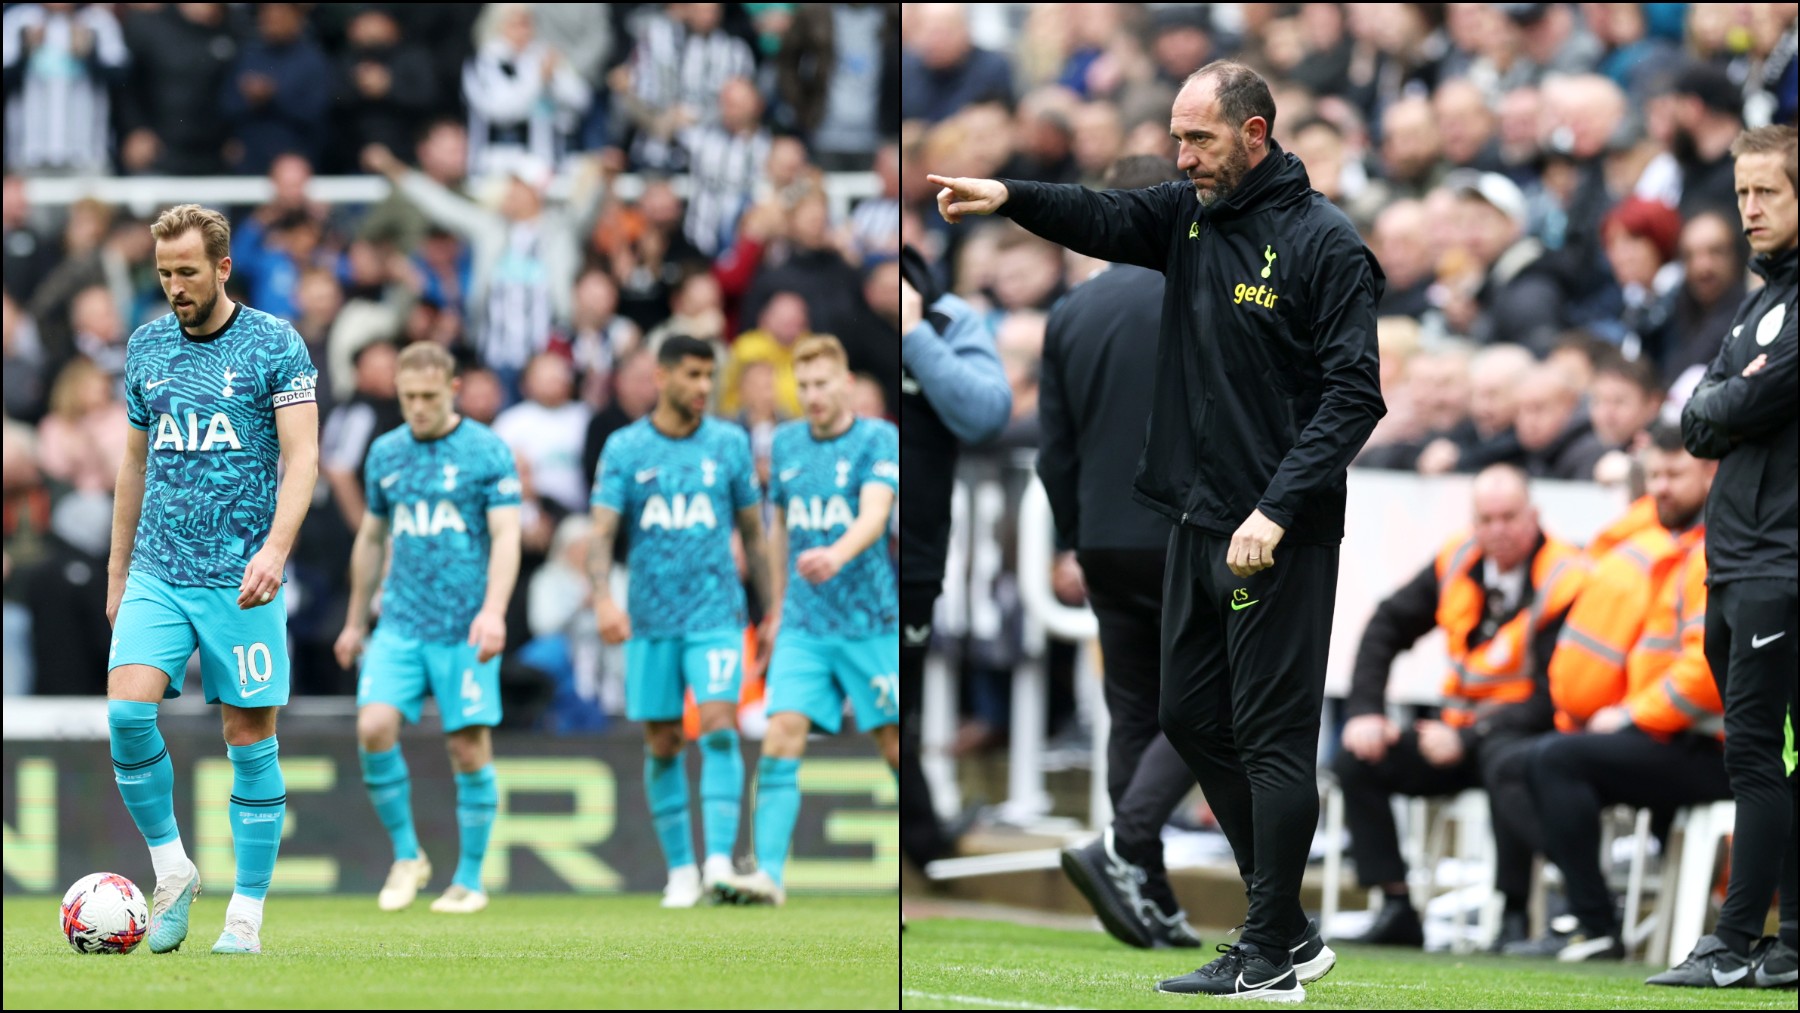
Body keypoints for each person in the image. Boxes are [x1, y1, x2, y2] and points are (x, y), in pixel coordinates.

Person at [929, 61, 1385, 1000]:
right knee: (1184, 715)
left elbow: (1356, 398)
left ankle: (1267, 950)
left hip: (1277, 531)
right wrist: (1009, 194)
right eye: (1176, 139)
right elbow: (1096, 214)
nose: (1182, 158)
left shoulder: (1325, 243)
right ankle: (1287, 928)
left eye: (1200, 140)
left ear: (1255, 134)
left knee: (1272, 735)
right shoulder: (1185, 217)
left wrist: (1277, 506)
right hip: (1193, 518)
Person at [105, 204, 320, 955]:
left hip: (241, 577)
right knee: (127, 716)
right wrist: (117, 568)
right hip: (159, 568)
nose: (174, 287)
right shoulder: (145, 347)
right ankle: (172, 869)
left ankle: (245, 915)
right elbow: (133, 464)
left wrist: (275, 550)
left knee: (247, 736)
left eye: (187, 271)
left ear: (223, 267)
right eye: (164, 273)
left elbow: (304, 460)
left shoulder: (275, 344)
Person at [1038, 154, 1198, 951]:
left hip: (1102, 539)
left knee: (1133, 711)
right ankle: (1124, 845)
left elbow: (1051, 453)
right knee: (1215, 702)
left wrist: (1073, 537)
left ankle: (1152, 894)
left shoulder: (1071, 310)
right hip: (1183, 531)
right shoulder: (1200, 291)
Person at [1332, 465, 1586, 952]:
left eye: (1509, 516)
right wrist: (1366, 709)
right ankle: (1397, 903)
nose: (1497, 530)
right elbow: (1386, 624)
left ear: (1534, 515)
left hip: (1526, 732)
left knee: (1505, 762)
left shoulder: (1566, 576)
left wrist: (1470, 737)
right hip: (1454, 733)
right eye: (1485, 518)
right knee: (1358, 759)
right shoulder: (1457, 558)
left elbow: (1552, 694)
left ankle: (1514, 914)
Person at [1658, 123, 1798, 990]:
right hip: (1741, 557)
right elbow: (1698, 412)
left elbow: (1727, 405)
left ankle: (1734, 939)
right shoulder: (1760, 298)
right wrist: (1729, 396)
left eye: (1768, 193)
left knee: (1757, 755)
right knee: (1773, 756)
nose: (1750, 209)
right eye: (1743, 192)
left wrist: (1729, 396)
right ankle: (1790, 944)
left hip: (1778, 565)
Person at [1513, 423, 1724, 961]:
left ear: (1711, 472)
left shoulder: (1713, 550)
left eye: (1674, 473)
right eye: (1653, 474)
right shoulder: (1676, 547)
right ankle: (1575, 917)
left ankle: (1595, 924)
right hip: (1672, 734)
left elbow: (1703, 676)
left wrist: (1629, 716)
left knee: (1554, 760)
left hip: (1713, 746)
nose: (1661, 486)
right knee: (1526, 761)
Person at [333, 342, 521, 915]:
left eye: (428, 397)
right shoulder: (386, 453)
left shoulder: (487, 450)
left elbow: (508, 535)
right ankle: (409, 855)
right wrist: (354, 620)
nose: (416, 407)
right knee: (373, 727)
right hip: (401, 622)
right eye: (407, 396)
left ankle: (468, 879)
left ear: (453, 390)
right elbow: (370, 538)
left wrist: (493, 611)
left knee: (467, 747)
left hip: (463, 627)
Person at [586, 335, 772, 907]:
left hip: (717, 613)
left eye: (708, 376)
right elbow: (601, 534)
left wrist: (773, 611)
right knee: (663, 740)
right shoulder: (625, 447)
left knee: (719, 724)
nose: (702, 387)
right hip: (651, 618)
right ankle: (681, 871)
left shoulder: (729, 443)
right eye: (691, 375)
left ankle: (718, 860)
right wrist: (602, 598)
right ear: (661, 378)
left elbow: (754, 534)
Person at [722, 336, 899, 906]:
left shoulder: (878, 438)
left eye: (823, 384)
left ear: (846, 384)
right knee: (780, 735)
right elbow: (779, 530)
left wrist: (836, 555)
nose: (813, 395)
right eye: (803, 386)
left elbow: (874, 515)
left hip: (870, 623)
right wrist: (774, 608)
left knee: (894, 745)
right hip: (803, 623)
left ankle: (915, 865)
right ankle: (767, 875)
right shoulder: (787, 441)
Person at [893, 246, 1010, 876]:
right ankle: (922, 837)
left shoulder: (946, 321)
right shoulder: (838, 328)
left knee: (897, 704)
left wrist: (914, 337)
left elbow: (986, 413)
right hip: (829, 556)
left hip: (912, 553)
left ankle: (921, 837)